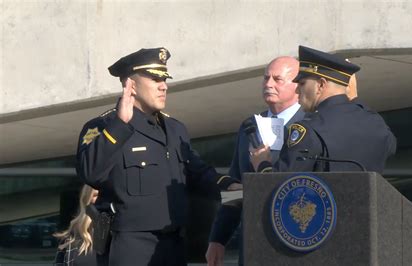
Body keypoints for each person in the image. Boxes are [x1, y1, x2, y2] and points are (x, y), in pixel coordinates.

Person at [76, 47, 240, 266]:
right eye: (155, 79)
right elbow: (90, 172)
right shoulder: (105, 126)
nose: (164, 85)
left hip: (174, 245)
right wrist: (119, 125)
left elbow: (197, 172)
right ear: (130, 85)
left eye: (164, 78)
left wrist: (230, 185)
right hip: (132, 248)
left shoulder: (174, 129)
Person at [206, 56, 306, 266]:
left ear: (298, 85)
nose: (269, 84)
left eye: (277, 79)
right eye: (266, 78)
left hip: (296, 242)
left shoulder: (312, 124)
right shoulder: (250, 125)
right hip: (253, 242)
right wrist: (218, 238)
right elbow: (235, 186)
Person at [250, 45, 396, 174]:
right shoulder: (375, 122)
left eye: (302, 83)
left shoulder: (307, 129)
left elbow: (281, 183)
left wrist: (262, 164)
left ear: (321, 85)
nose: (297, 91)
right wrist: (354, 100)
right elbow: (390, 146)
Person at [54, 185, 99, 265]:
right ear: (87, 200)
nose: (101, 200)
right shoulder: (71, 239)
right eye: (96, 195)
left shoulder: (119, 236)